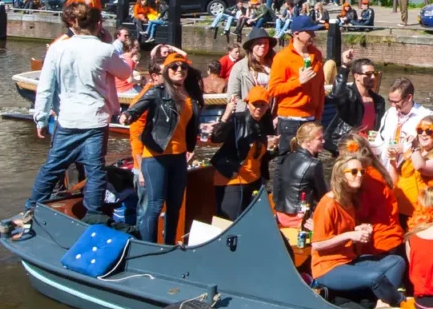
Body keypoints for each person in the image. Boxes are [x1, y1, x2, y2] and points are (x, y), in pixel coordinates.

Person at [18, 4, 131, 228]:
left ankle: (31, 207)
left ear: (72, 24)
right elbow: (125, 72)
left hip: (67, 118)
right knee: (95, 169)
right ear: (99, 24)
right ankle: (93, 214)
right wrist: (109, 44)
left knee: (53, 166)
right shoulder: (104, 50)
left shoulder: (58, 49)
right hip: (95, 119)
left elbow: (46, 86)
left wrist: (40, 118)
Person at [311, 153, 408, 309]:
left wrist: (357, 229)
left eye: (361, 171)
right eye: (354, 172)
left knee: (397, 261)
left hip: (348, 260)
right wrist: (349, 235)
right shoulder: (328, 204)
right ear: (341, 175)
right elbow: (317, 244)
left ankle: (378, 302)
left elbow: (342, 231)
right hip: (328, 268)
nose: (360, 175)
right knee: (375, 277)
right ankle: (399, 302)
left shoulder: (349, 200)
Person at [120, 53, 200, 244]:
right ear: (166, 71)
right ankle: (148, 248)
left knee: (175, 206)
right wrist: (127, 116)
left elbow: (188, 124)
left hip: (179, 156)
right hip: (156, 155)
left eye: (183, 67)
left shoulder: (191, 95)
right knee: (154, 206)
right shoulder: (157, 91)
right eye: (174, 67)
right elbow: (138, 107)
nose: (179, 70)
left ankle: (169, 246)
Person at [210, 87, 277, 220]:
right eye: (255, 104)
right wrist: (227, 114)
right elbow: (216, 138)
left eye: (262, 105)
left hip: (254, 180)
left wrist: (274, 149)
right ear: (247, 103)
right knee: (230, 223)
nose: (259, 108)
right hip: (232, 179)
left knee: (254, 221)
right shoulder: (237, 120)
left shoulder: (265, 125)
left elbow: (258, 156)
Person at [268, 15, 325, 154]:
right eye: (310, 32)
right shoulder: (282, 57)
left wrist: (318, 116)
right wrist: (298, 82)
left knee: (310, 161)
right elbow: (273, 90)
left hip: (311, 119)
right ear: (296, 34)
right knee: (286, 160)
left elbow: (320, 88)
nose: (314, 35)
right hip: (289, 119)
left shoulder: (316, 54)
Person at [272, 122, 328, 229]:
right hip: (298, 217)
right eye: (319, 139)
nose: (323, 141)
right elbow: (323, 196)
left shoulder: (287, 157)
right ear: (307, 142)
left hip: (281, 214)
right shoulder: (313, 164)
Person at [326, 56, 383, 151]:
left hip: (367, 147)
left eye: (374, 73)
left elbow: (377, 128)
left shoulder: (379, 101)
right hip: (346, 146)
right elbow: (335, 95)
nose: (373, 77)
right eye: (368, 74)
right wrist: (344, 67)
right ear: (356, 76)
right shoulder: (348, 95)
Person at [228, 25, 275, 101]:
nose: (263, 45)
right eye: (259, 43)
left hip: (272, 111)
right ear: (251, 46)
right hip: (248, 111)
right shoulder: (239, 67)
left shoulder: (276, 65)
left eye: (266, 43)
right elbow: (232, 96)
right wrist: (249, 107)